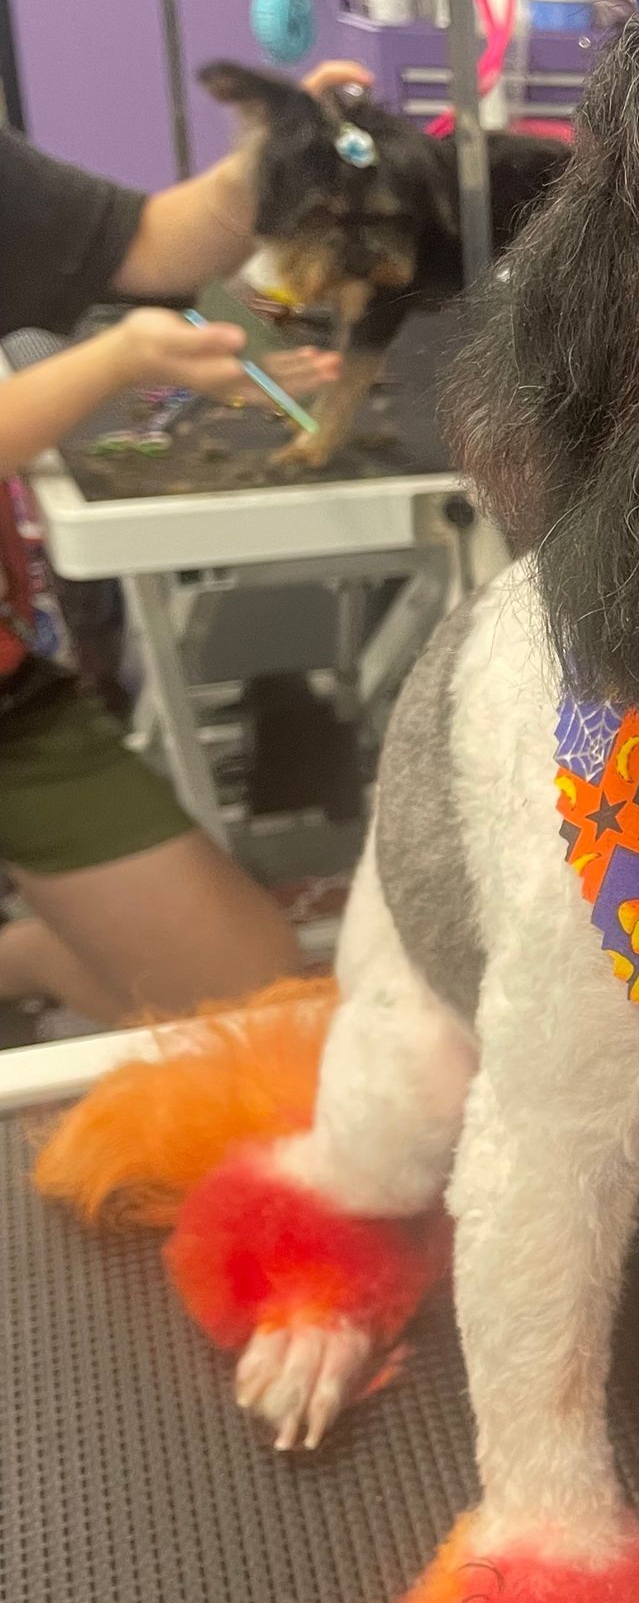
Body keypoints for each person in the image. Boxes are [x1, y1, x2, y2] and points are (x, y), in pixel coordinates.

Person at [0, 63, 369, 1027]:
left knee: (263, 1012)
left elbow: (155, 245)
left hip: (8, 693)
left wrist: (271, 158)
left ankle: (36, 953)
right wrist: (118, 359)